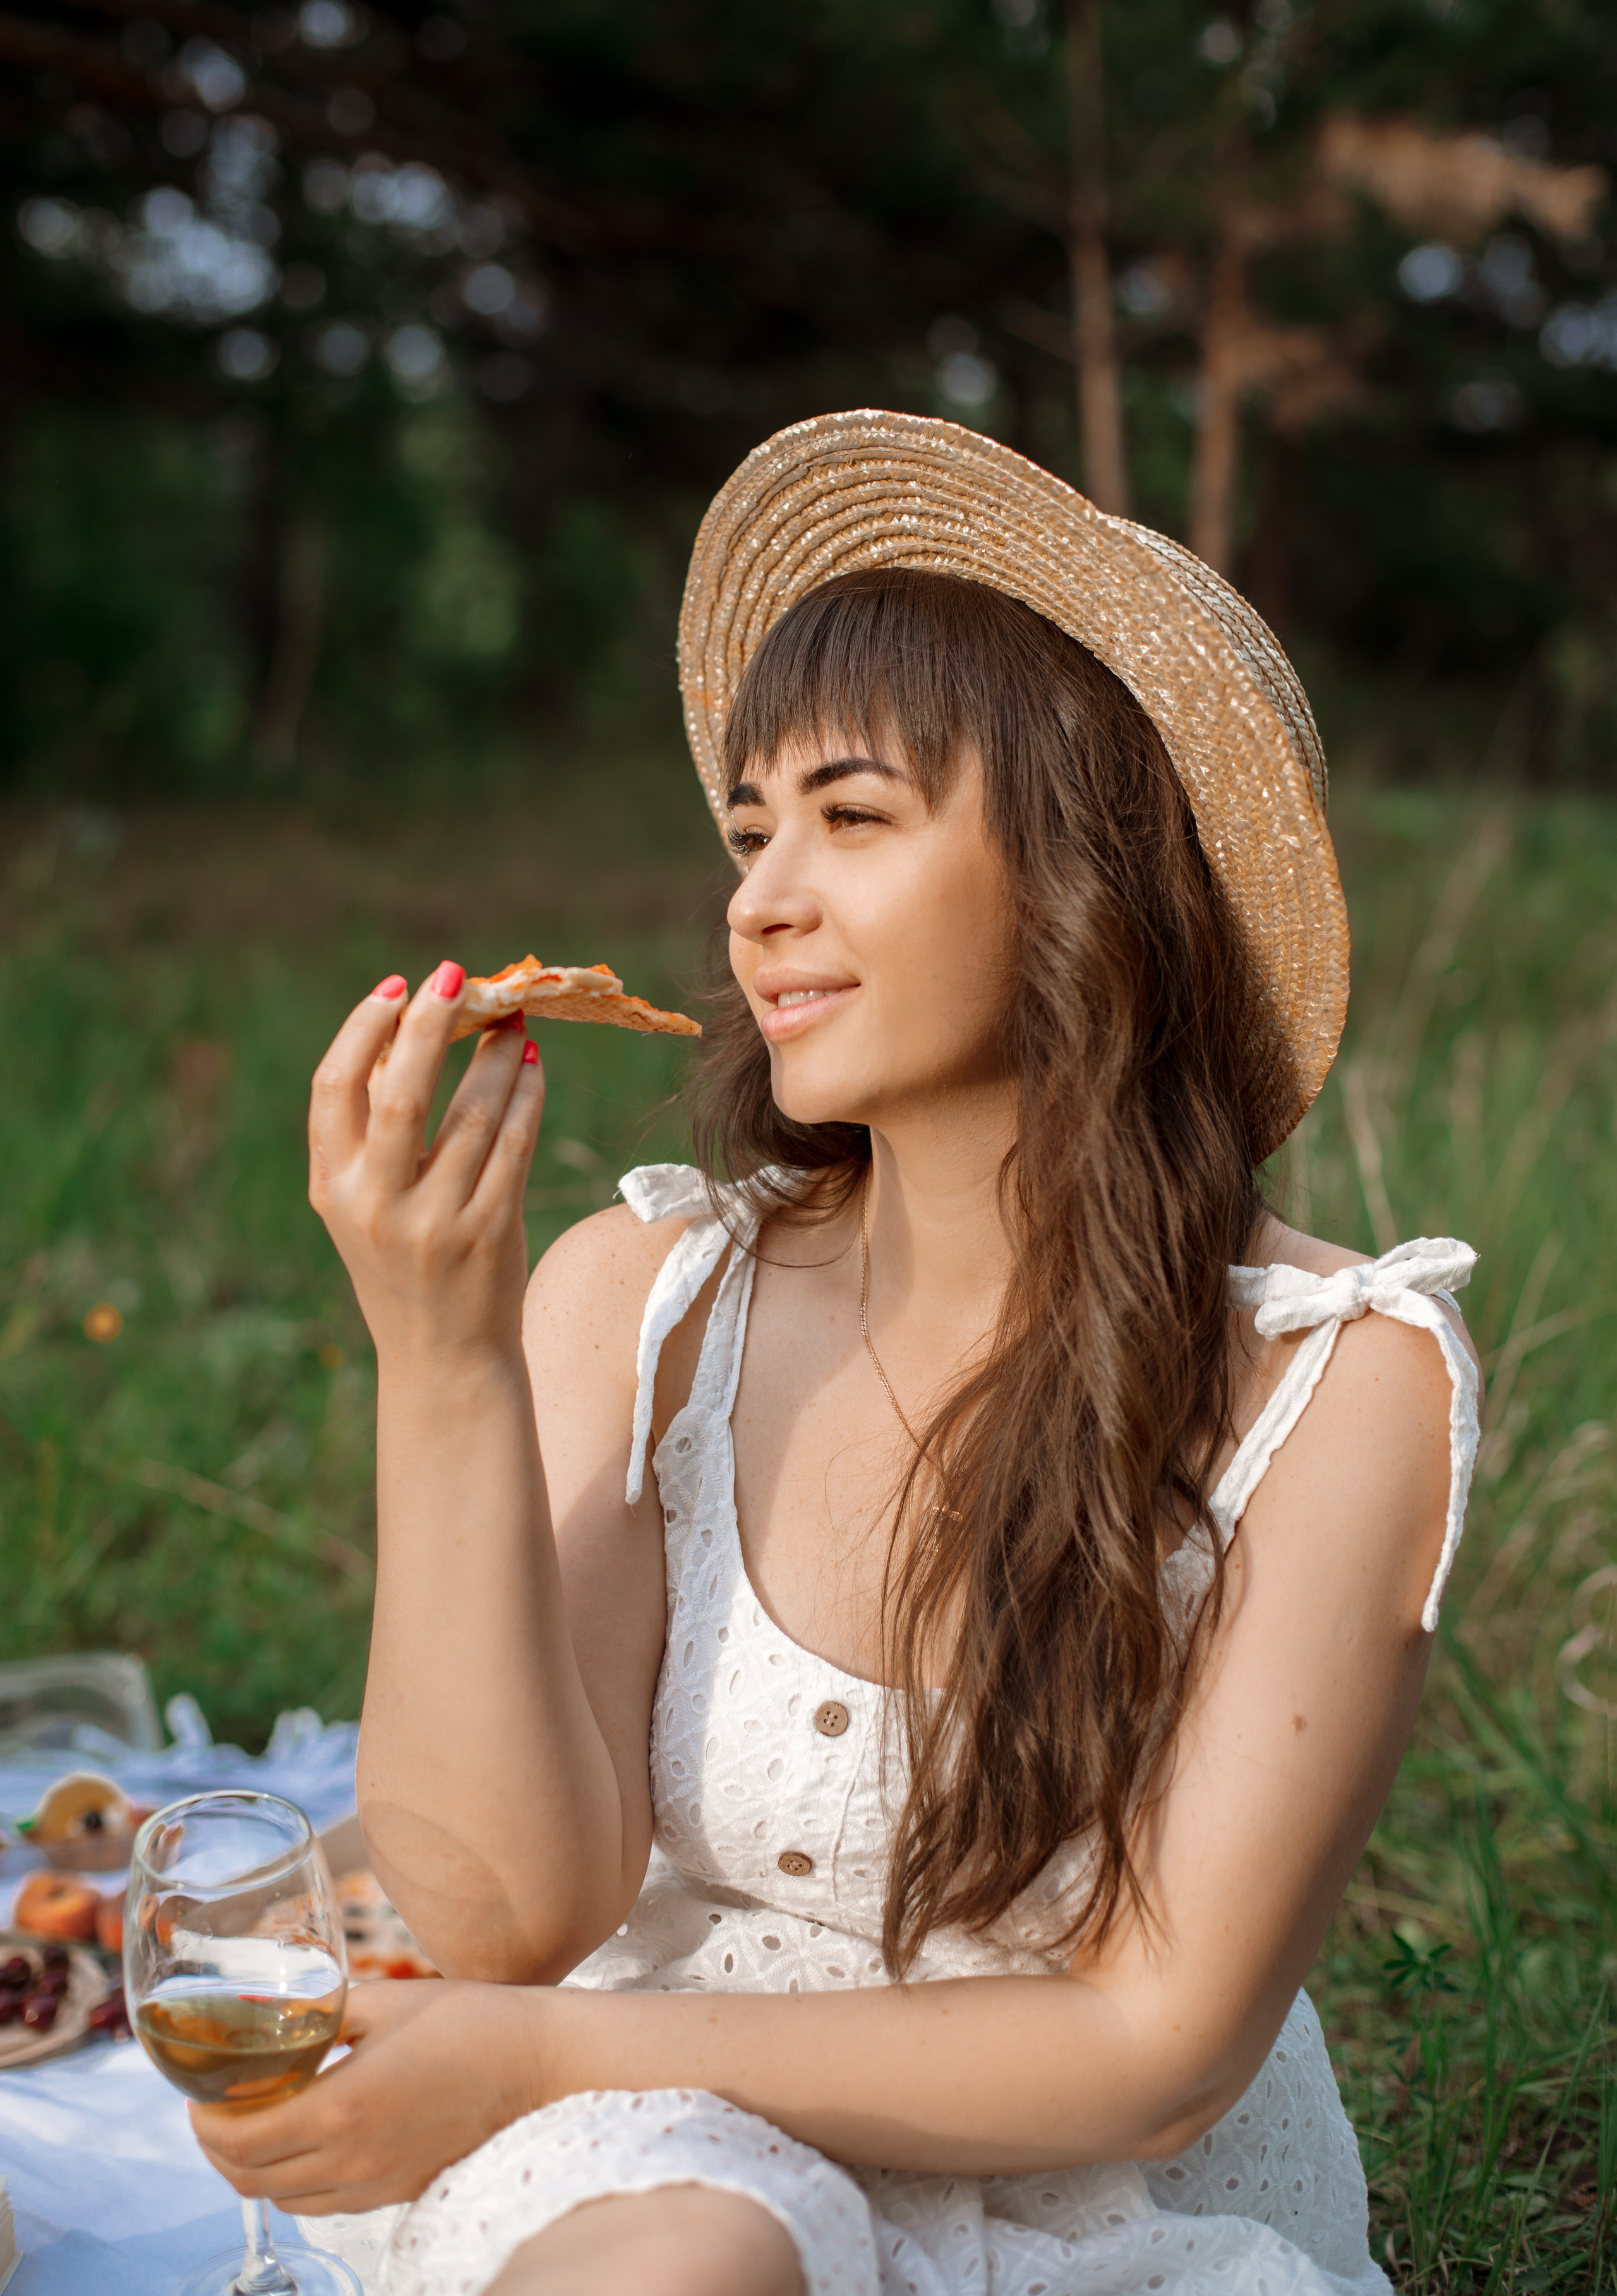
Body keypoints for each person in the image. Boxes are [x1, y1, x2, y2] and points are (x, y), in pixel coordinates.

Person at [195, 412, 1481, 2296]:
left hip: (1096, 2204)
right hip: (660, 2144)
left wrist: (540, 2058)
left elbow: (1154, 2048)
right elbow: (498, 1908)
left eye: (852, 818)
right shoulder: (644, 1289)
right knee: (688, 2252)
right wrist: (441, 1356)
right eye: (748, 829)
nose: (757, 899)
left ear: (1089, 869)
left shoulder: (1340, 1384)